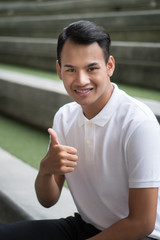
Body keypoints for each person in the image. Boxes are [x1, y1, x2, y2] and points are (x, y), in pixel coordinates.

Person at [0, 20, 160, 240]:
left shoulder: (139, 123)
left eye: (92, 68)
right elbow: (48, 200)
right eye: (71, 69)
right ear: (59, 70)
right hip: (85, 226)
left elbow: (142, 223)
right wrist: (46, 169)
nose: (81, 80)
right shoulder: (64, 116)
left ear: (110, 66)